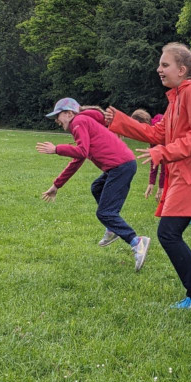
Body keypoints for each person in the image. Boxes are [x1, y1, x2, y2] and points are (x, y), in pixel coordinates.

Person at [105, 43, 191, 308]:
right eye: (160, 65)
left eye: (165, 65)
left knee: (169, 234)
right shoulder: (178, 96)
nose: (159, 69)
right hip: (186, 175)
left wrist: (164, 152)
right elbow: (157, 133)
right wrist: (120, 121)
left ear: (182, 70)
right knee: (170, 233)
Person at [36, 98, 150, 272]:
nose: (57, 121)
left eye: (57, 116)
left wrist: (56, 149)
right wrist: (56, 185)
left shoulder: (78, 121)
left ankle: (137, 241)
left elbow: (82, 151)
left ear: (69, 113)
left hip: (120, 167)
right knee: (97, 187)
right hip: (120, 166)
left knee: (105, 212)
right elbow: (79, 158)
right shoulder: (82, 122)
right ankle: (112, 228)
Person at [130, 109, 166, 202]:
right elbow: (154, 157)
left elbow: (165, 160)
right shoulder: (152, 130)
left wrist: (161, 187)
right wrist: (151, 183)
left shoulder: (159, 128)